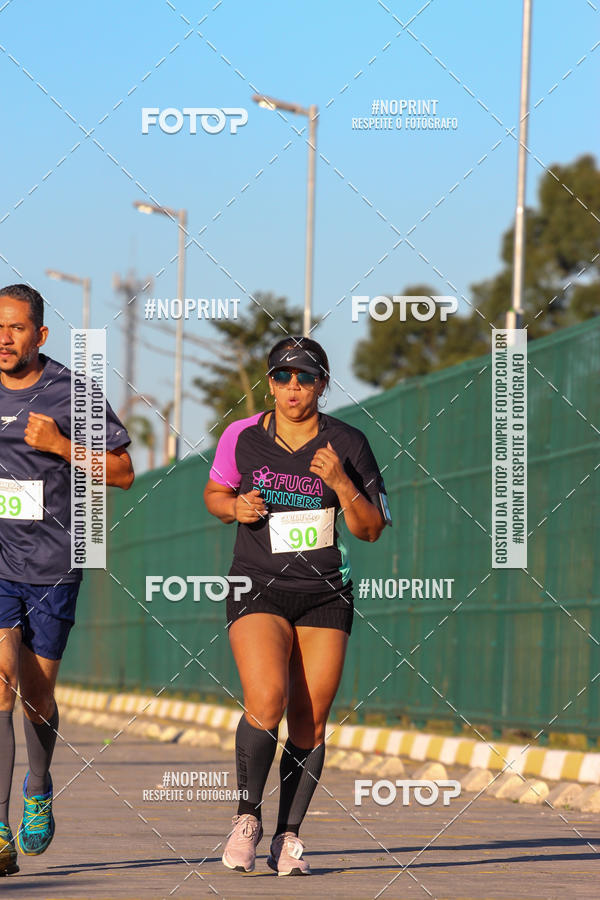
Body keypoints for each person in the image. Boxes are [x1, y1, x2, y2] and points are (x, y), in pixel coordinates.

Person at [203, 335, 391, 876]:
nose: (293, 387)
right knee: (267, 699)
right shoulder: (242, 436)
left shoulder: (348, 442)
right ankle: (246, 819)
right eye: (283, 377)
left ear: (322, 385)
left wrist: (341, 482)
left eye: (305, 378)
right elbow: (214, 495)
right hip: (257, 584)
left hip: (324, 593)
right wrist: (234, 507)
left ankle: (288, 836)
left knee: (310, 720)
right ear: (270, 383)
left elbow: (371, 529)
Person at [0, 284, 134, 877]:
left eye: (16, 327)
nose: (4, 338)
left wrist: (61, 444)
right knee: (0, 683)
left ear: (41, 335)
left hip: (54, 564)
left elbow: (124, 472)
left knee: (36, 695)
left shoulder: (71, 391)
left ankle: (38, 783)